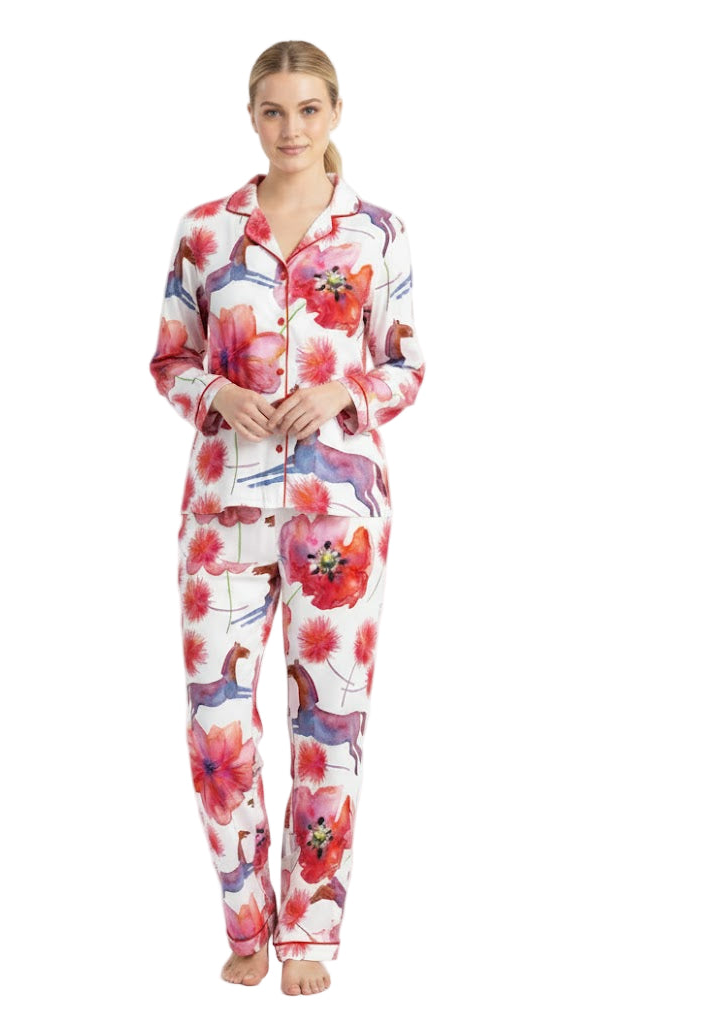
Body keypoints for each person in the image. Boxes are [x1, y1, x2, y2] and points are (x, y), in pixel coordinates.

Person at [149, 39, 425, 997]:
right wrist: (216, 395)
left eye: (309, 109)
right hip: (221, 510)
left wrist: (346, 392)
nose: (292, 128)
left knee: (329, 722)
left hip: (339, 516)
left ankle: (310, 929)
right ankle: (245, 921)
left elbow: (407, 365)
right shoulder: (205, 231)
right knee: (215, 724)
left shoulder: (377, 232)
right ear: (252, 118)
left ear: (334, 113)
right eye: (275, 110)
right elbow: (169, 360)